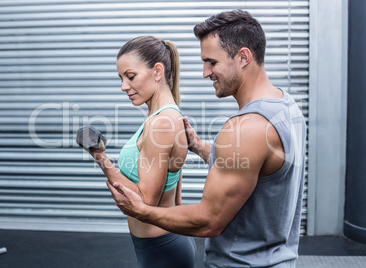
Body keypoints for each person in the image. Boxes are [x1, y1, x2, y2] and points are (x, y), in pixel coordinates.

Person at [107, 10, 306, 268]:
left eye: (212, 62)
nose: (205, 72)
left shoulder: (246, 128)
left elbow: (209, 220)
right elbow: (262, 165)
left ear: (243, 57)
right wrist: (200, 147)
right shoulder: (287, 106)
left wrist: (142, 211)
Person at [84, 36, 196, 268]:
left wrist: (99, 156)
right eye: (121, 78)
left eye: (130, 76)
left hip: (160, 249)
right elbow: (175, 196)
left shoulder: (160, 124)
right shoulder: (168, 116)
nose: (124, 86)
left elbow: (145, 202)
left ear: (157, 71)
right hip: (166, 243)